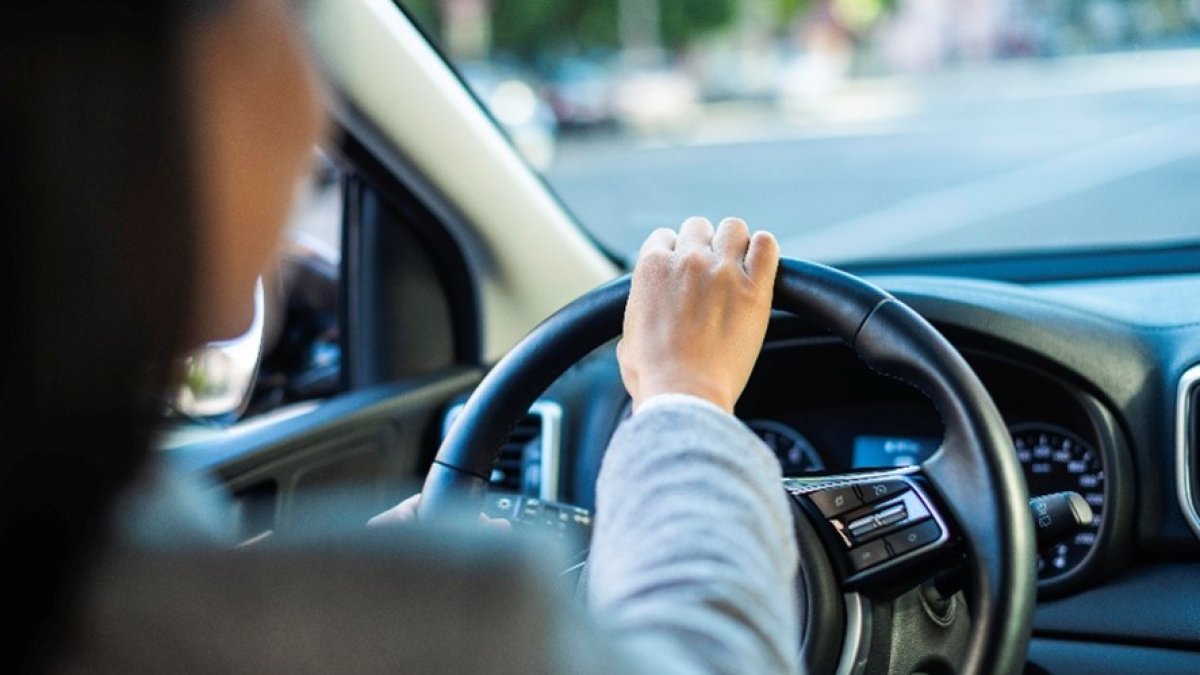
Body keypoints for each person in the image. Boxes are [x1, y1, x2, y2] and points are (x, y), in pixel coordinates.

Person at [1, 1, 798, 672]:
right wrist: (685, 399)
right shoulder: (454, 622)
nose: (314, 104)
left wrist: (322, 578)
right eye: (289, 21)